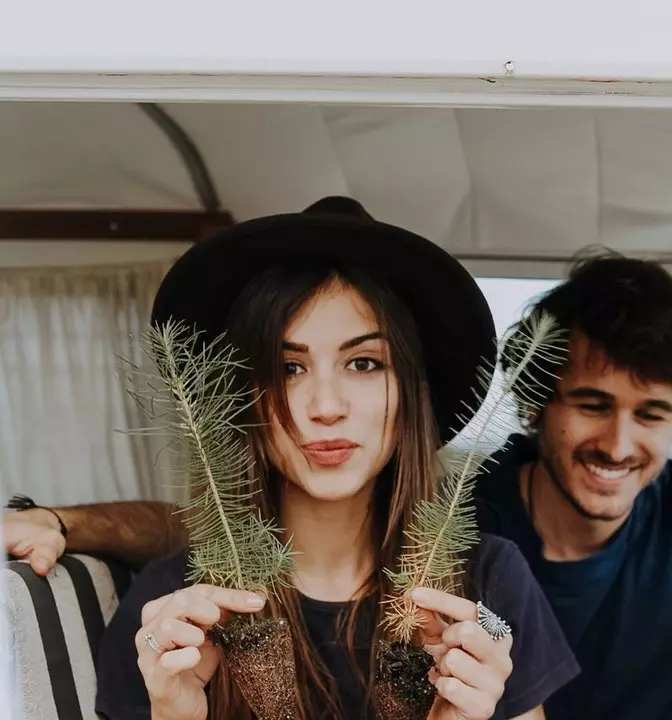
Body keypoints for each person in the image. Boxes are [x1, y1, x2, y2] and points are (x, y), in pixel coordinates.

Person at [6, 250, 672, 720]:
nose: (616, 443)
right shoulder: (458, 517)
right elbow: (215, 531)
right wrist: (64, 522)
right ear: (541, 408)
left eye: (652, 417)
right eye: (591, 404)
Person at [38, 196, 581, 720]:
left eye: (365, 363)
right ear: (238, 395)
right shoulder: (172, 609)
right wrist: (174, 716)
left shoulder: (487, 584)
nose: (325, 407)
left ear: (413, 394)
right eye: (287, 368)